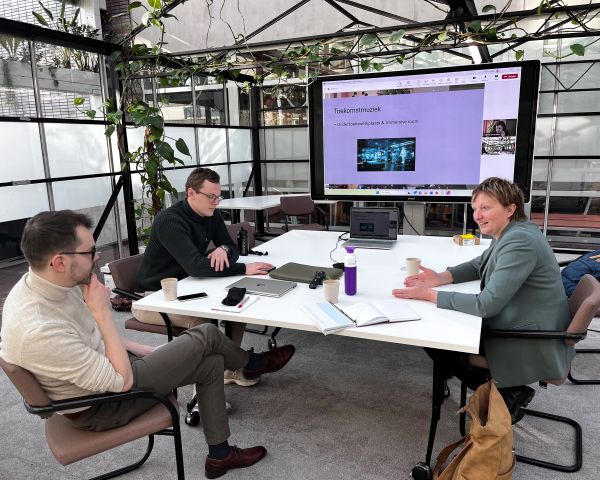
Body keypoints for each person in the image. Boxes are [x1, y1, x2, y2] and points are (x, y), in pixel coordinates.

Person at [0, 210, 296, 478]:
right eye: (90, 252)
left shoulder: (49, 283)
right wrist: (102, 313)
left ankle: (220, 455)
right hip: (102, 405)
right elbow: (121, 381)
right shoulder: (39, 330)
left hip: (108, 371)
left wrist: (149, 351)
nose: (97, 258)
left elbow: (93, 337)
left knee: (211, 360)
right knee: (206, 335)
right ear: (59, 262)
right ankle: (252, 364)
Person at [392, 177, 574, 423]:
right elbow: (480, 264)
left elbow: (486, 304)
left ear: (510, 209)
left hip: (527, 338)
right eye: (475, 208)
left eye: (486, 208)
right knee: (441, 329)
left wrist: (430, 295)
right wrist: (441, 277)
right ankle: (501, 389)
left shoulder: (520, 241)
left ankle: (508, 392)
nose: (477, 215)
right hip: (526, 321)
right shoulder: (515, 231)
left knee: (436, 336)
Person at [135, 167, 279, 387]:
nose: (216, 202)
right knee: (203, 324)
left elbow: (233, 248)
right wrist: (243, 269)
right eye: (211, 196)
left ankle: (229, 369)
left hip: (189, 287)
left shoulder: (211, 215)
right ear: (191, 193)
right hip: (153, 298)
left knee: (236, 307)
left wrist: (222, 248)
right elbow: (196, 267)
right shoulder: (170, 221)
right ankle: (219, 380)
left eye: (218, 197)